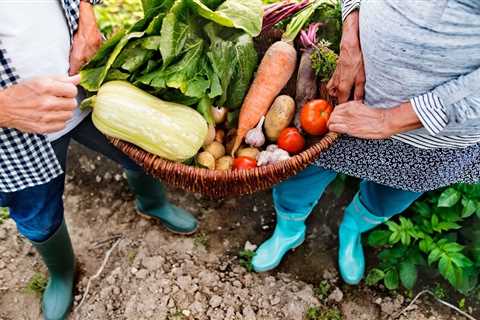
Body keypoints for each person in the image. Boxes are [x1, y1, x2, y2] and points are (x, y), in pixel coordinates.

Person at [252, 0, 480, 285]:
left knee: (390, 195)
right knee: (301, 168)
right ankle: (289, 229)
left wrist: (391, 120)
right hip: (350, 88)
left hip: (436, 133)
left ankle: (352, 229)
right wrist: (351, 37)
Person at [0, 1, 198, 319]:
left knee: (139, 150)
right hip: (13, 139)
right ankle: (63, 273)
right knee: (37, 212)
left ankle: (152, 203)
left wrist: (87, 13)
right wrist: (4, 108)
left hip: (91, 81)